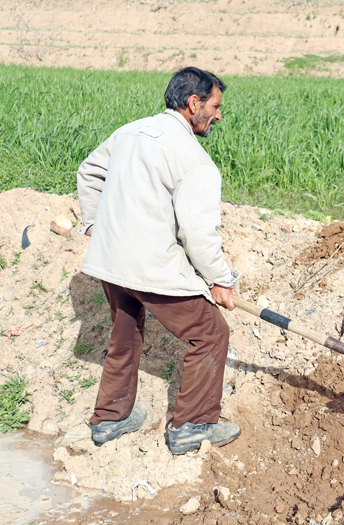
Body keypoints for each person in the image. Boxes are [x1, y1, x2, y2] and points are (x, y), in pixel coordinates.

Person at [77, 67, 242, 455]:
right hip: (149, 267)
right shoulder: (195, 160)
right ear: (193, 103)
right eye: (216, 107)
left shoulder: (130, 131)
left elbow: (89, 171)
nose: (219, 115)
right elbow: (198, 237)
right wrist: (221, 280)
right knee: (211, 333)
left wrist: (96, 226)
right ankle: (193, 427)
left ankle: (110, 419)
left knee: (125, 332)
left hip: (110, 260)